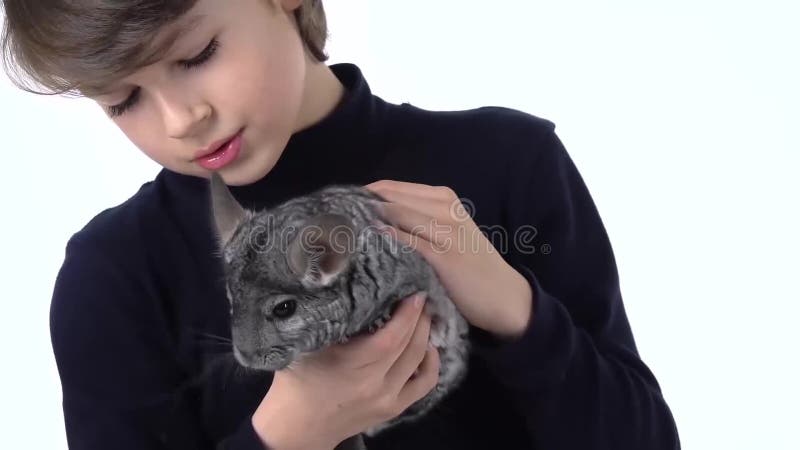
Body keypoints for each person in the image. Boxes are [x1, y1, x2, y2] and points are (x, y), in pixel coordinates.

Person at [1, 0, 681, 449]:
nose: (181, 120)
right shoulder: (115, 277)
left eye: (197, 54)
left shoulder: (509, 163)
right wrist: (289, 433)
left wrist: (515, 309)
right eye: (124, 101)